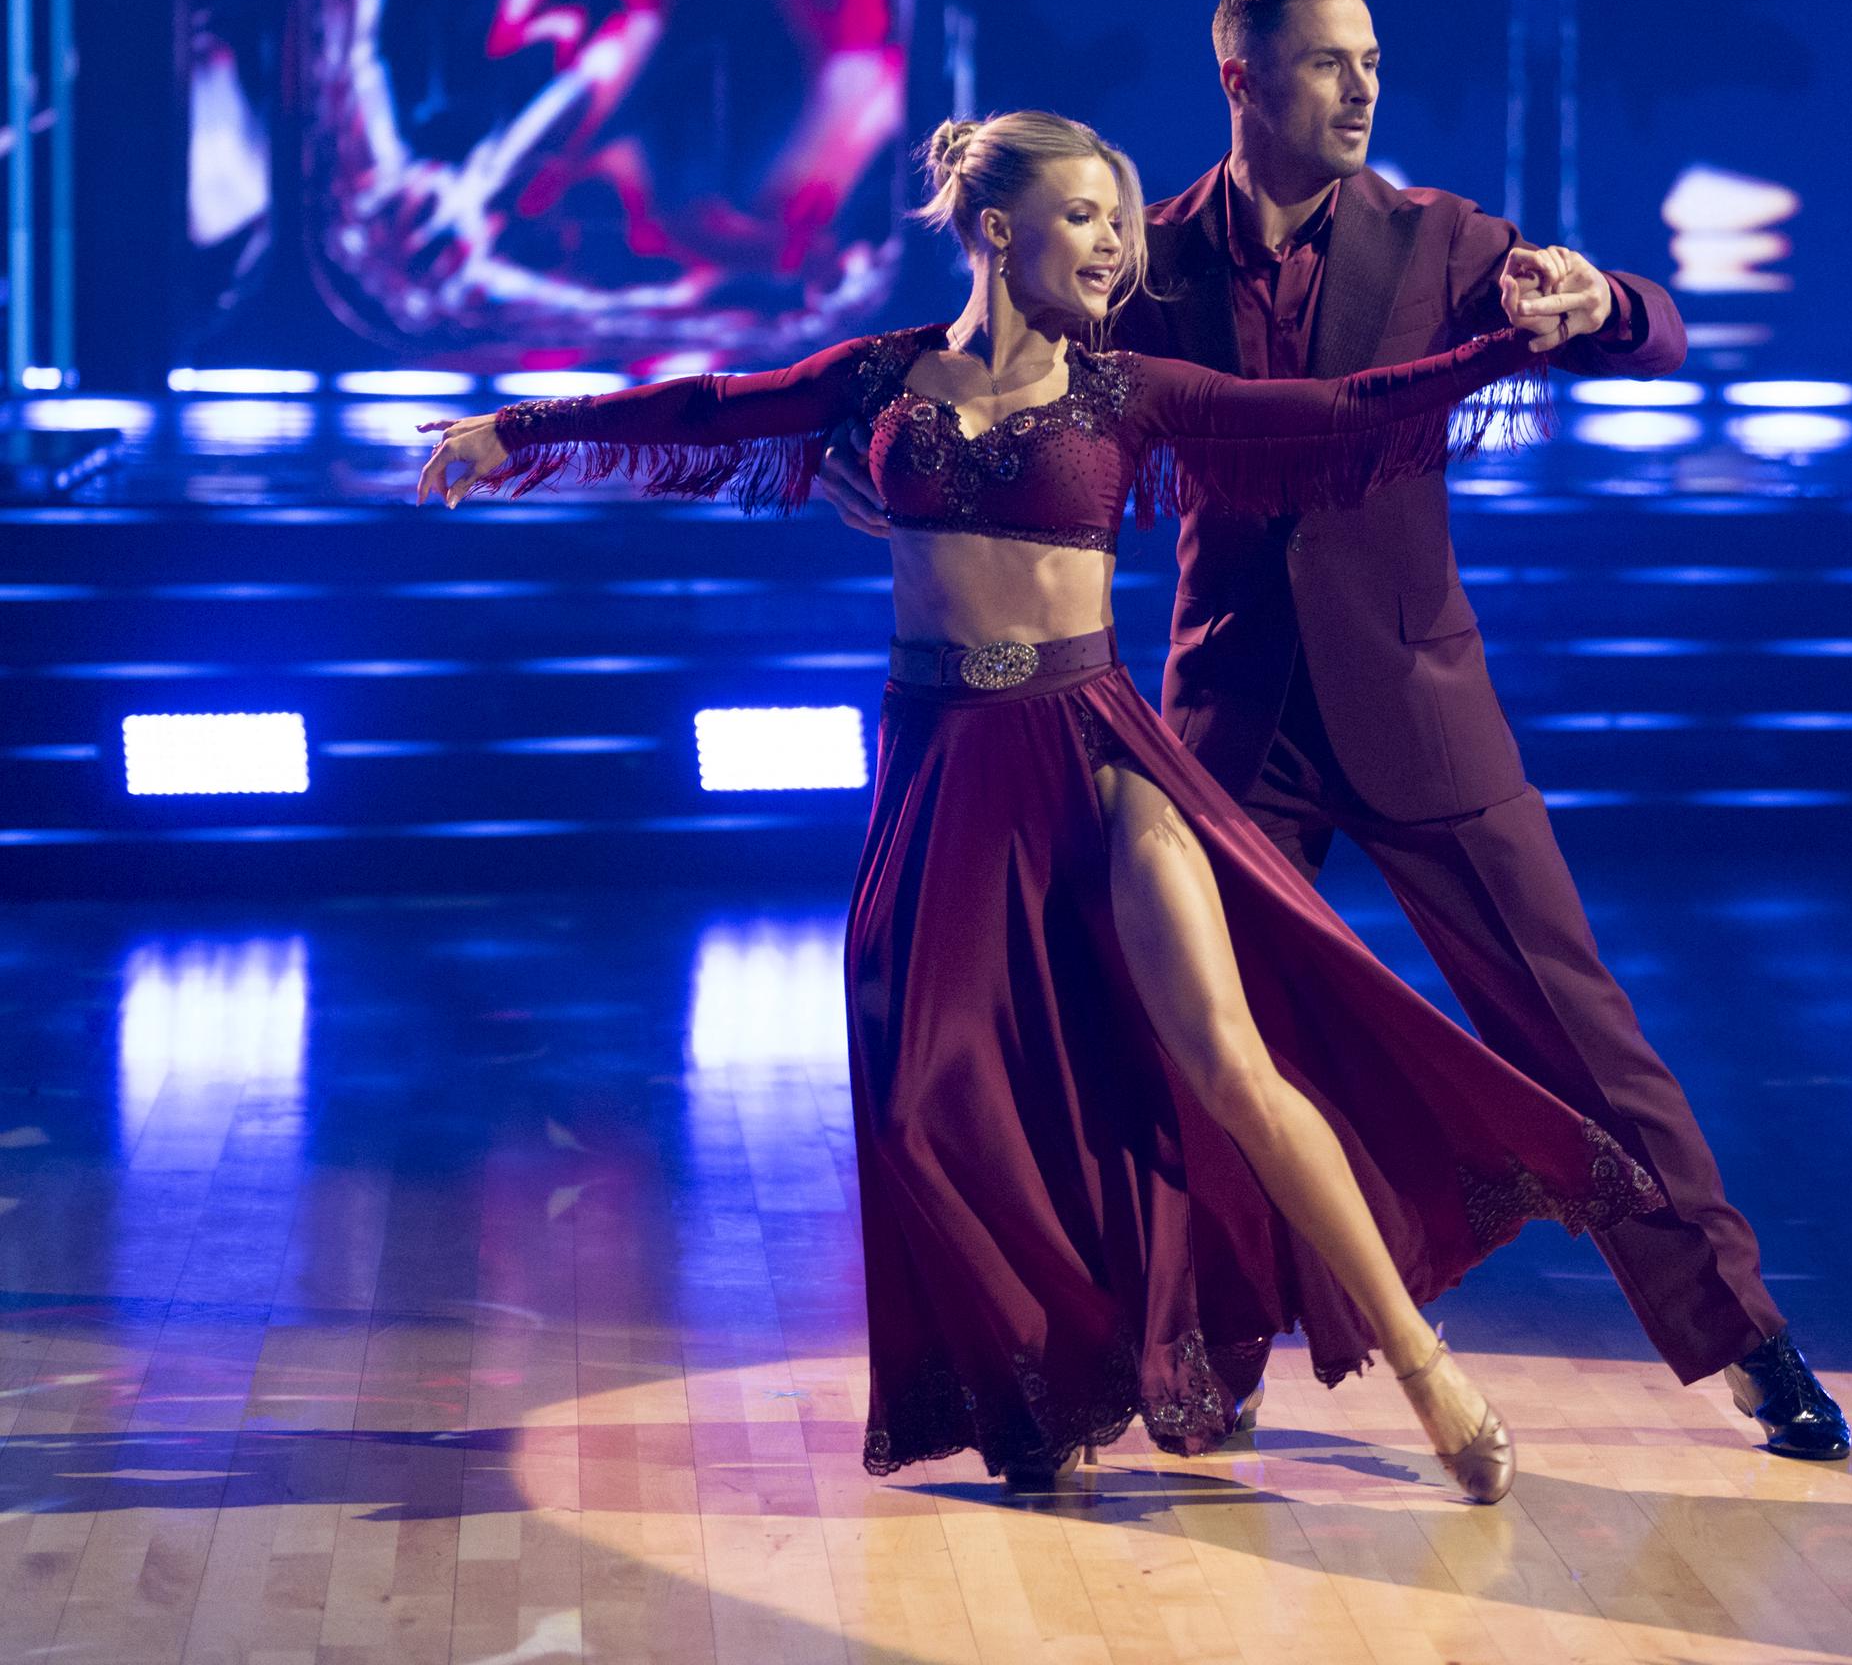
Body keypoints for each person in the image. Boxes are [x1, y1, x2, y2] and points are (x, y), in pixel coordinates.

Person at [417, 109, 1671, 1501]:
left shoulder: (1131, 389)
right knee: (919, 1103)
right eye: (1087, 218)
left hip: (1095, 758)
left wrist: (1514, 347)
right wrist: (514, 432)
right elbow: (716, 409)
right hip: (943, 769)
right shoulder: (885, 378)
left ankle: (1432, 1381)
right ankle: (1049, 1374)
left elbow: (1344, 418)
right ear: (999, 228)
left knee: (1232, 1063)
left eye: (1125, 225)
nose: (1118, 247)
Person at [818, 0, 1852, 1460]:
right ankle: (1211, 1353)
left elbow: (1656, 335)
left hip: (1424, 714)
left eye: (1370, 61)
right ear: (1240, 81)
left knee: (1583, 1039)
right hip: (1229, 727)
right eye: (1325, 65)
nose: (1363, 88)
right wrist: (896, 482)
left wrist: (1597, 298)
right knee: (1189, 1045)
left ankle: (1747, 1339)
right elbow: (975, 383)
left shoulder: (1438, 240)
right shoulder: (1137, 252)